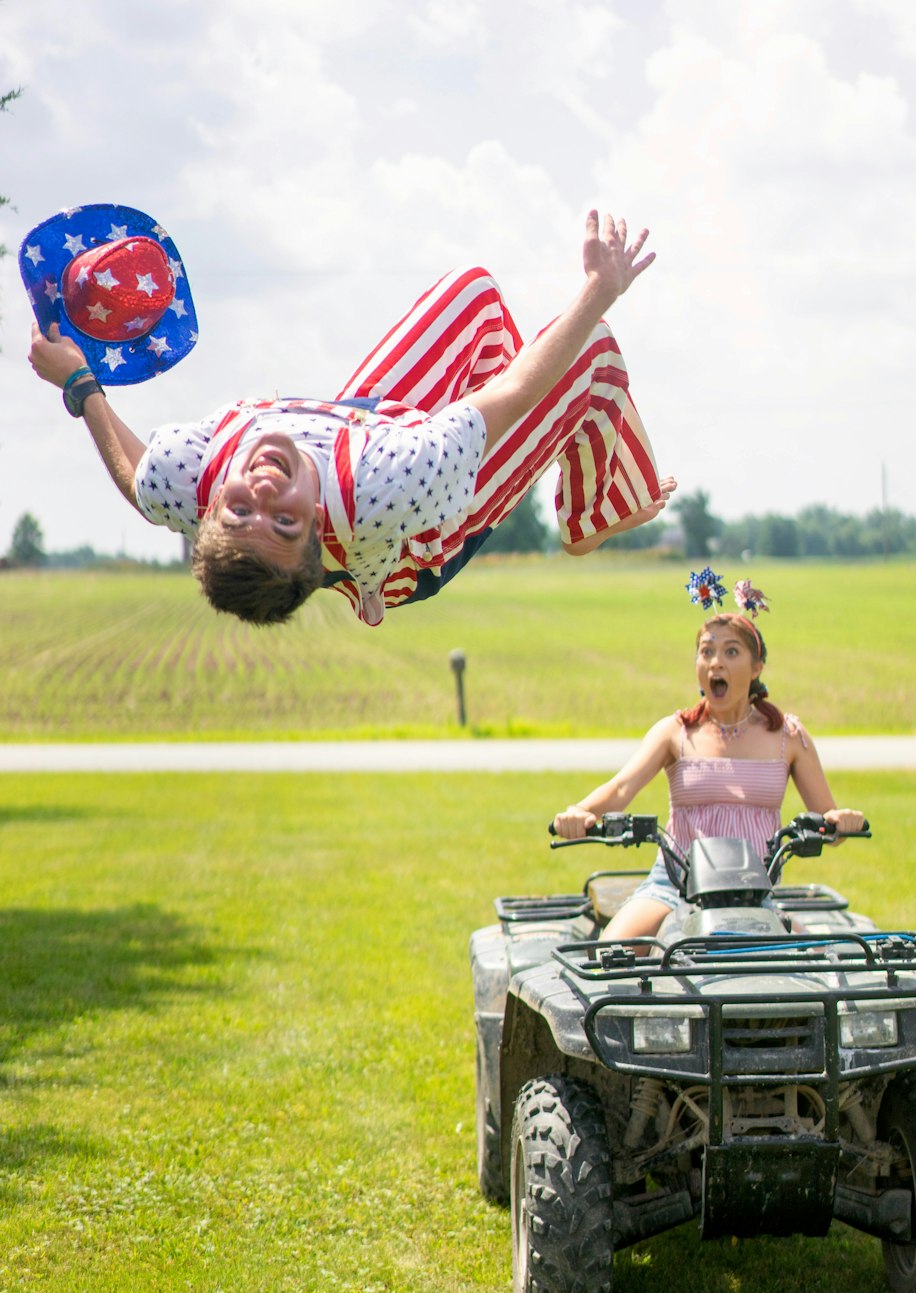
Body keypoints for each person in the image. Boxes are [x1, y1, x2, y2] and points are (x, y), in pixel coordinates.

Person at [28, 210, 674, 627]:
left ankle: (522, 435)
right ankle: (596, 516)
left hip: (366, 425)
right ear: (315, 525)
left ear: (210, 505)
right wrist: (598, 288)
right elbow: (511, 397)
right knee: (591, 349)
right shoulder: (393, 485)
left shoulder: (183, 473)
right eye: (283, 519)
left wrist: (80, 382)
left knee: (475, 292)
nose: (262, 493)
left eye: (239, 512)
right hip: (423, 539)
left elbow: (134, 477)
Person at [552, 587, 866, 941]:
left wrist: (841, 821)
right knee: (612, 951)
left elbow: (826, 819)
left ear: (757, 666)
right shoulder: (676, 731)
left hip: (754, 895)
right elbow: (622, 788)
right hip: (674, 888)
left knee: (819, 961)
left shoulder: (788, 736)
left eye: (731, 651)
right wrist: (579, 812)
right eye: (707, 652)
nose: (716, 662)